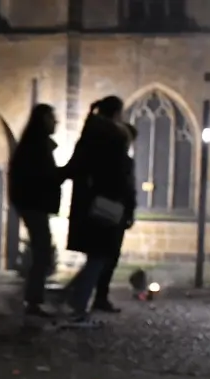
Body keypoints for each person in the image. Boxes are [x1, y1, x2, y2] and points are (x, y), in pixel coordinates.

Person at [63, 96, 137, 324]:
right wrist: (128, 207)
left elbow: (75, 168)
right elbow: (121, 179)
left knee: (98, 256)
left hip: (89, 203)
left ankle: (73, 299)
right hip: (107, 204)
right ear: (116, 114)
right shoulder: (112, 137)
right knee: (100, 255)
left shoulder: (90, 133)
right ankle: (78, 305)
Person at [8, 104, 62, 318]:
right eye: (52, 118)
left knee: (42, 251)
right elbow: (45, 176)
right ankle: (33, 301)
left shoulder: (33, 145)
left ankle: (33, 299)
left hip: (32, 203)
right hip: (34, 204)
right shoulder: (36, 146)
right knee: (42, 252)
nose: (55, 122)